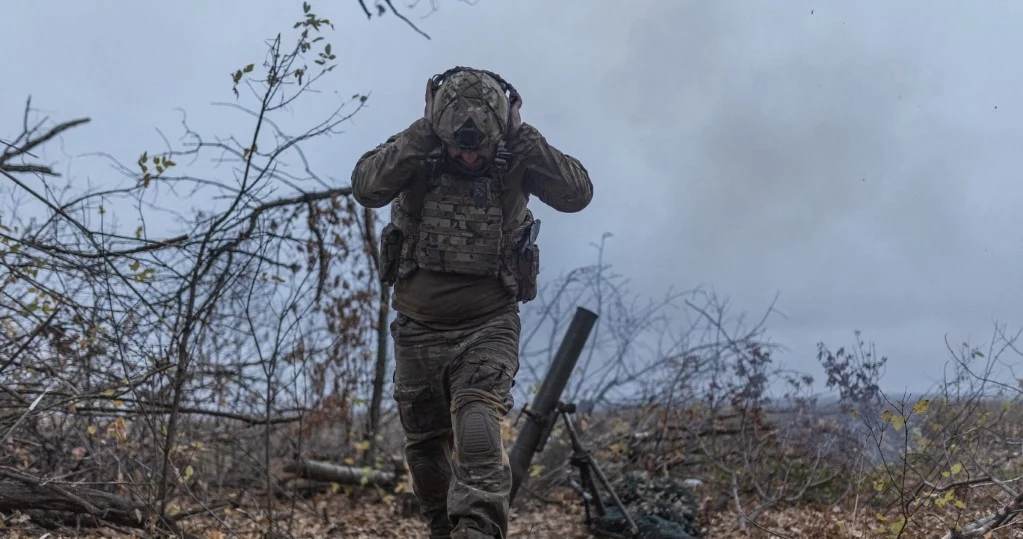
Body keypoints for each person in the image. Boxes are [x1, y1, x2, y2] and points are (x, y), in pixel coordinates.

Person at [350, 66, 593, 539]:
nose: (467, 156)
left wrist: (527, 140)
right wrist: (420, 134)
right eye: (458, 147)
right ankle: (447, 530)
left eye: (478, 147)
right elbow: (366, 187)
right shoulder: (421, 149)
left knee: (479, 429)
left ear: (499, 133)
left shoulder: (517, 153)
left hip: (488, 323)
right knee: (424, 452)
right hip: (418, 327)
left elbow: (577, 194)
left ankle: (479, 530)